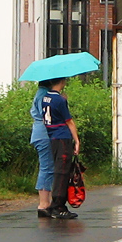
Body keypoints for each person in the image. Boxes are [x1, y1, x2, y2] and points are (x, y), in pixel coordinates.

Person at [38, 78, 81, 219]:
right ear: (61, 82)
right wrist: (76, 140)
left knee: (58, 168)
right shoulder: (60, 100)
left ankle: (55, 203)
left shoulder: (46, 98)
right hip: (62, 136)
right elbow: (69, 121)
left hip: (52, 136)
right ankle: (58, 205)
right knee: (62, 171)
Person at [29, 82, 54, 217]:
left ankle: (46, 201)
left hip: (40, 133)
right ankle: (44, 203)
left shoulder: (41, 93)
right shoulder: (44, 95)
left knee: (48, 167)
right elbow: (48, 115)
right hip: (44, 134)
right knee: (47, 167)